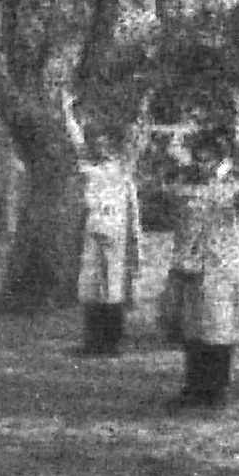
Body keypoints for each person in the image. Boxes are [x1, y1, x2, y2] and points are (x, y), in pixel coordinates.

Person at [169, 122, 239, 408]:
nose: (202, 163)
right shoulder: (189, 187)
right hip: (192, 267)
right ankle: (194, 383)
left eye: (209, 157)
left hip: (223, 268)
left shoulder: (234, 186)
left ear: (221, 158)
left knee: (218, 330)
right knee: (193, 329)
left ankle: (216, 387)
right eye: (199, 156)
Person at [66, 84, 147, 357]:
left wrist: (142, 109)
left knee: (112, 286)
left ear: (113, 144)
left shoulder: (122, 168)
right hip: (93, 229)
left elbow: (136, 142)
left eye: (105, 143)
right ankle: (92, 340)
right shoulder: (90, 167)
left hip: (115, 232)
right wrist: (68, 114)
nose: (100, 147)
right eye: (97, 143)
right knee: (91, 285)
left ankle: (110, 342)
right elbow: (76, 143)